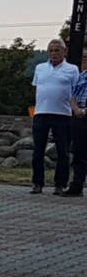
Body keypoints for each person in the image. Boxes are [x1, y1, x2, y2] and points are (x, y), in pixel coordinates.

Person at [30, 38, 80, 195]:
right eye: (51, 50)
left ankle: (60, 184)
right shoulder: (40, 68)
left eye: (57, 50)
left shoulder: (72, 69)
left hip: (62, 114)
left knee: (62, 151)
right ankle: (37, 183)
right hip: (41, 112)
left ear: (64, 52)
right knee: (38, 149)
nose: (53, 54)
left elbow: (75, 92)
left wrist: (76, 109)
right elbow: (37, 88)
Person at [66, 67, 87, 197]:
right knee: (79, 152)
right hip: (79, 118)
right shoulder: (82, 76)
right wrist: (76, 109)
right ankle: (76, 186)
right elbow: (72, 95)